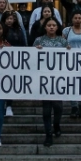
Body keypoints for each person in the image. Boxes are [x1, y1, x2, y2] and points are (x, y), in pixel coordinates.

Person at [34, 17, 68, 146]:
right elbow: (31, 58)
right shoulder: (39, 40)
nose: (52, 27)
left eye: (54, 25)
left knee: (58, 106)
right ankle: (48, 133)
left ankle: (56, 124)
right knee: (46, 109)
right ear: (45, 27)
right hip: (44, 79)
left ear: (57, 27)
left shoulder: (63, 41)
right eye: (49, 25)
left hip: (58, 78)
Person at [0, 11, 27, 118]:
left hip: (14, 61)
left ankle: (9, 105)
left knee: (9, 83)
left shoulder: (18, 30)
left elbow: (23, 44)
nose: (9, 20)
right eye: (7, 18)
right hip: (1, 61)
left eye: (11, 19)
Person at [64, 11, 81, 118]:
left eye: (79, 18)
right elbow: (62, 42)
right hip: (70, 61)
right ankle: (74, 106)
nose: (77, 20)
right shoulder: (66, 30)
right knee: (72, 83)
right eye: (75, 18)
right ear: (72, 19)